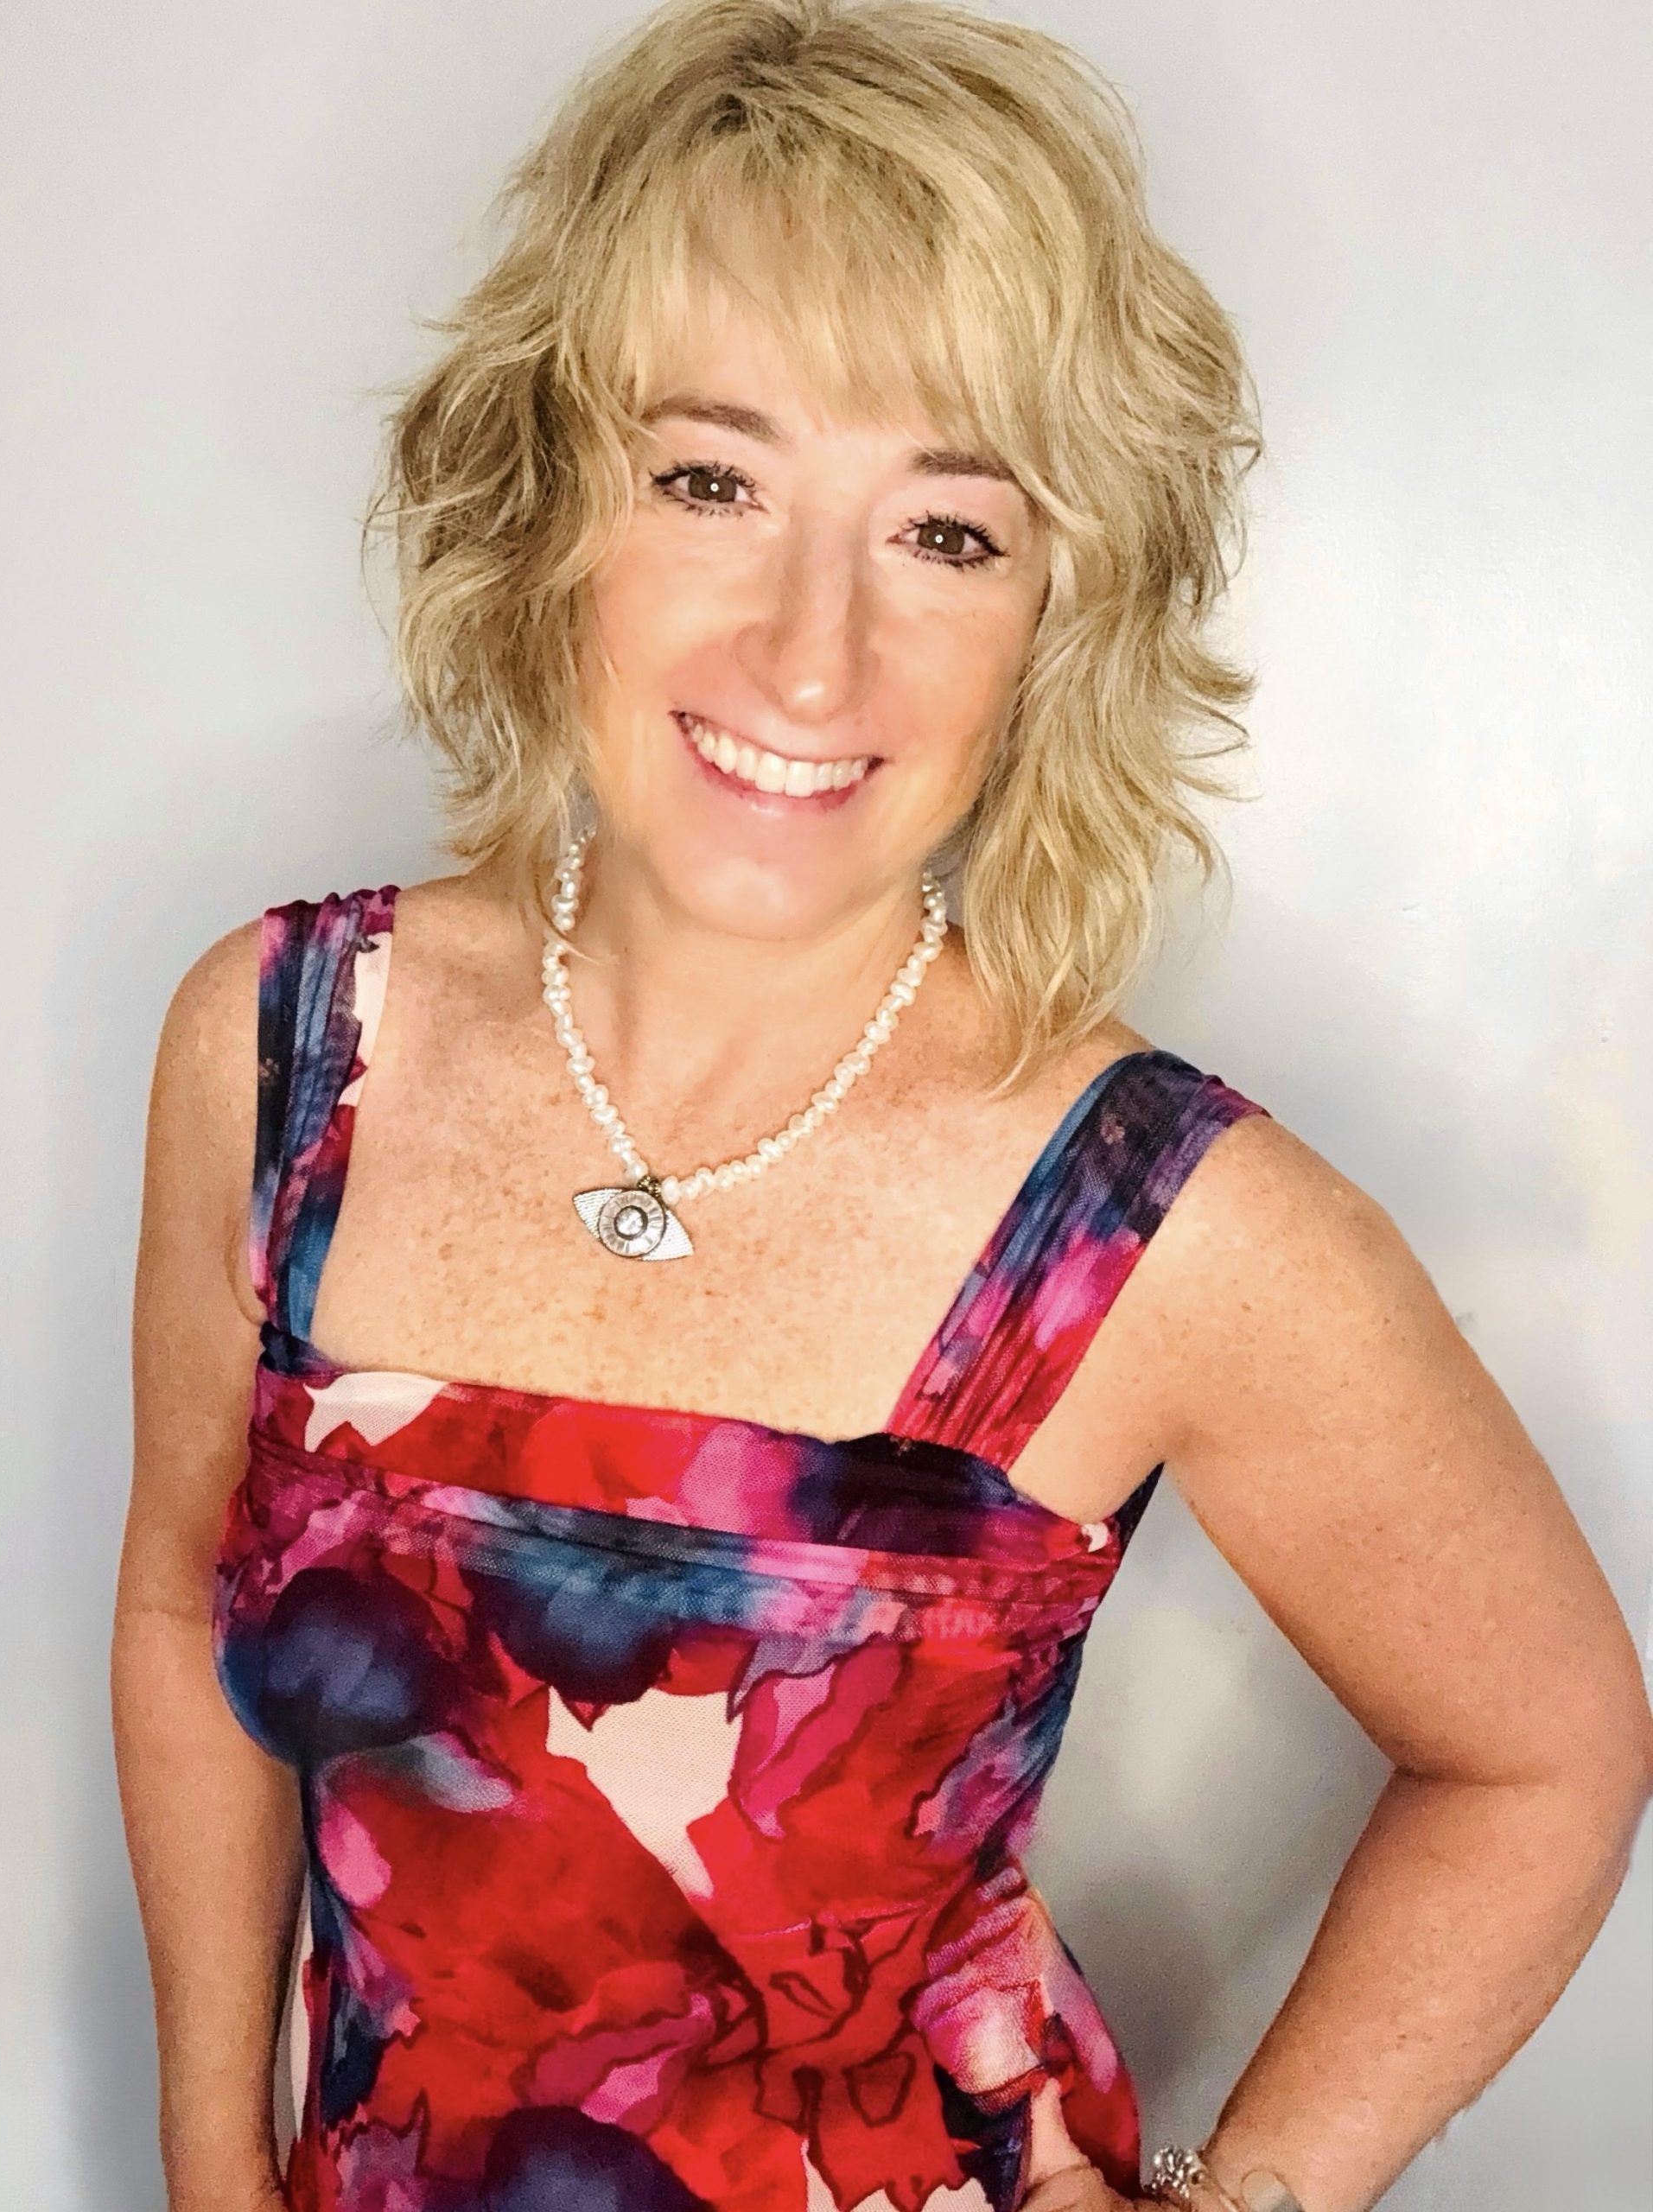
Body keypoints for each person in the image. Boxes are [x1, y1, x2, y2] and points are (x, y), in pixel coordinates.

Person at [110, 4, 1651, 2210]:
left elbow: (1547, 1747)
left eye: (945, 530)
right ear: (544, 497)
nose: (812, 654)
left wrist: (1247, 2196)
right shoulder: (283, 1051)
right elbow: (185, 1605)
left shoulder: (1159, 1227)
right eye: (711, 481)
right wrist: (211, 2151)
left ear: (1058, 613)